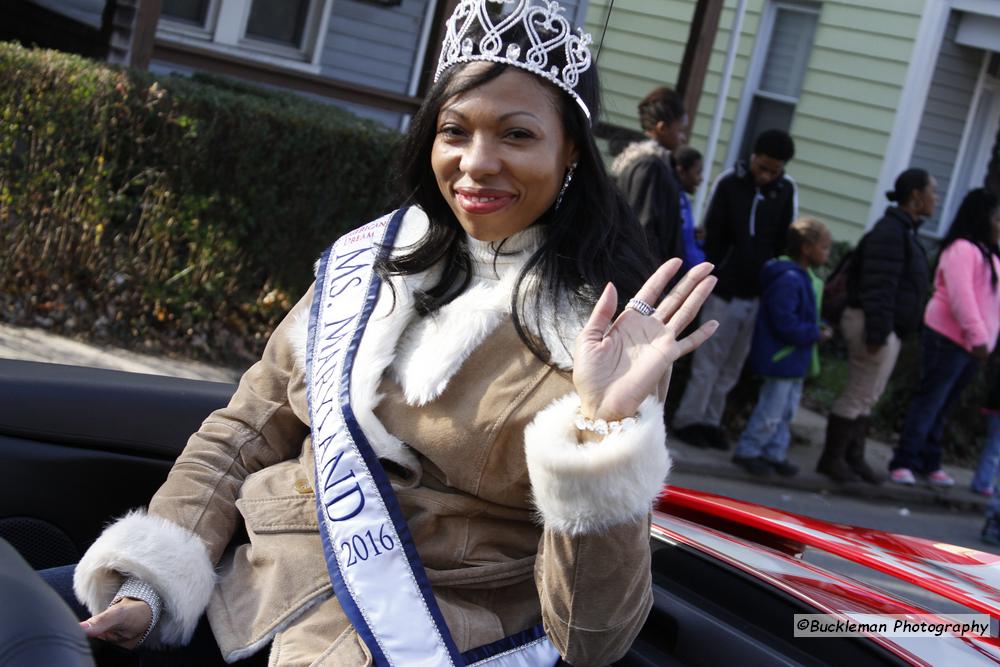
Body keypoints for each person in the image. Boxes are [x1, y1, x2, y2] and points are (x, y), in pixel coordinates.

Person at [56, 2, 720, 665]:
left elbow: (592, 637)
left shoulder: (600, 336)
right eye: (455, 130)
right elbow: (247, 428)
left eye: (516, 135)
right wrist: (152, 578)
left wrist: (602, 430)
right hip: (250, 596)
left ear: (571, 148)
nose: (476, 163)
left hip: (423, 639)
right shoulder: (371, 262)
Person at [672, 129, 798, 450]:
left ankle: (712, 420)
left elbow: (783, 239)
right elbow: (713, 232)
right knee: (708, 360)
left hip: (756, 292)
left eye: (774, 170)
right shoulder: (730, 182)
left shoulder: (785, 191)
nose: (766, 175)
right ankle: (689, 419)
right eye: (762, 167)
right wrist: (714, 276)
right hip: (724, 289)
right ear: (753, 157)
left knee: (732, 364)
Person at [818, 168, 936, 483]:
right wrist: (877, 333)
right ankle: (833, 460)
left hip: (885, 328)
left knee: (869, 395)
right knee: (858, 392)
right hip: (873, 325)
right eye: (931, 192)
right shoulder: (890, 233)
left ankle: (852, 457)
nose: (935, 199)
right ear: (915, 196)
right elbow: (879, 286)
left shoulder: (903, 231)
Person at [889, 188, 1000, 486]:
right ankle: (903, 461)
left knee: (945, 404)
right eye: (997, 217)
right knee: (930, 401)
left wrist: (986, 341)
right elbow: (961, 297)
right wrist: (978, 336)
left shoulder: (989, 253)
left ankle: (929, 461)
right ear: (982, 217)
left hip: (974, 347)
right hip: (949, 339)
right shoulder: (961, 249)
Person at [732, 217, 832, 476]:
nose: (827, 253)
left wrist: (815, 327)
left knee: (786, 411)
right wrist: (814, 333)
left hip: (794, 358)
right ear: (806, 248)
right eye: (824, 246)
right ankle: (749, 449)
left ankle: (774, 452)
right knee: (771, 409)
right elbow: (784, 322)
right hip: (782, 356)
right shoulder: (788, 278)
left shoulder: (802, 277)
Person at [611, 86, 689, 264]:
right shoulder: (649, 166)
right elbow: (643, 229)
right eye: (681, 130)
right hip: (646, 274)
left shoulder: (657, 163)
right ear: (662, 128)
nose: (684, 138)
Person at [673, 145, 706, 271]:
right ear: (681, 171)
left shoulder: (683, 199)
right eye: (698, 172)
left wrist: (696, 238)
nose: (701, 179)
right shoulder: (675, 199)